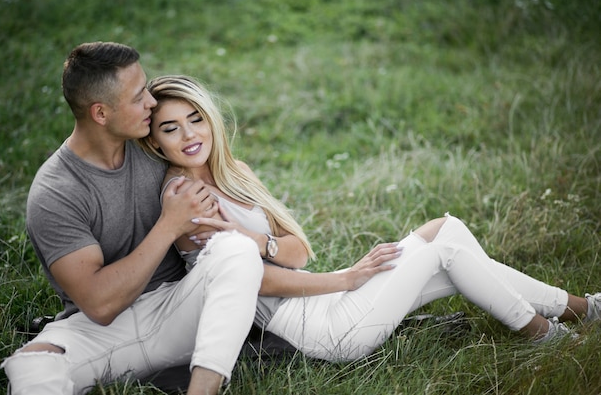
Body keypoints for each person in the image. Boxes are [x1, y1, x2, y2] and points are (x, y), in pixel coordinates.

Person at [138, 74, 601, 362]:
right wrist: (347, 279)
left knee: (445, 238)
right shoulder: (187, 201)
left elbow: (296, 253)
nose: (189, 134)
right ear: (156, 142)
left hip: (319, 298)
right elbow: (256, 283)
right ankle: (546, 335)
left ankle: (583, 311)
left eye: (195, 118)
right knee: (448, 241)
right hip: (321, 331)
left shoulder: (235, 173)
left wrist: (258, 241)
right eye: (171, 127)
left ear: (211, 119)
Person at [1, 43, 264, 395]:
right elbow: (99, 305)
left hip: (180, 308)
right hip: (102, 329)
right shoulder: (55, 193)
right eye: (139, 96)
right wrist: (169, 225)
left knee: (235, 249)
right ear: (100, 113)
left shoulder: (156, 147)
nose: (152, 104)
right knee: (32, 366)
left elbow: (229, 195)